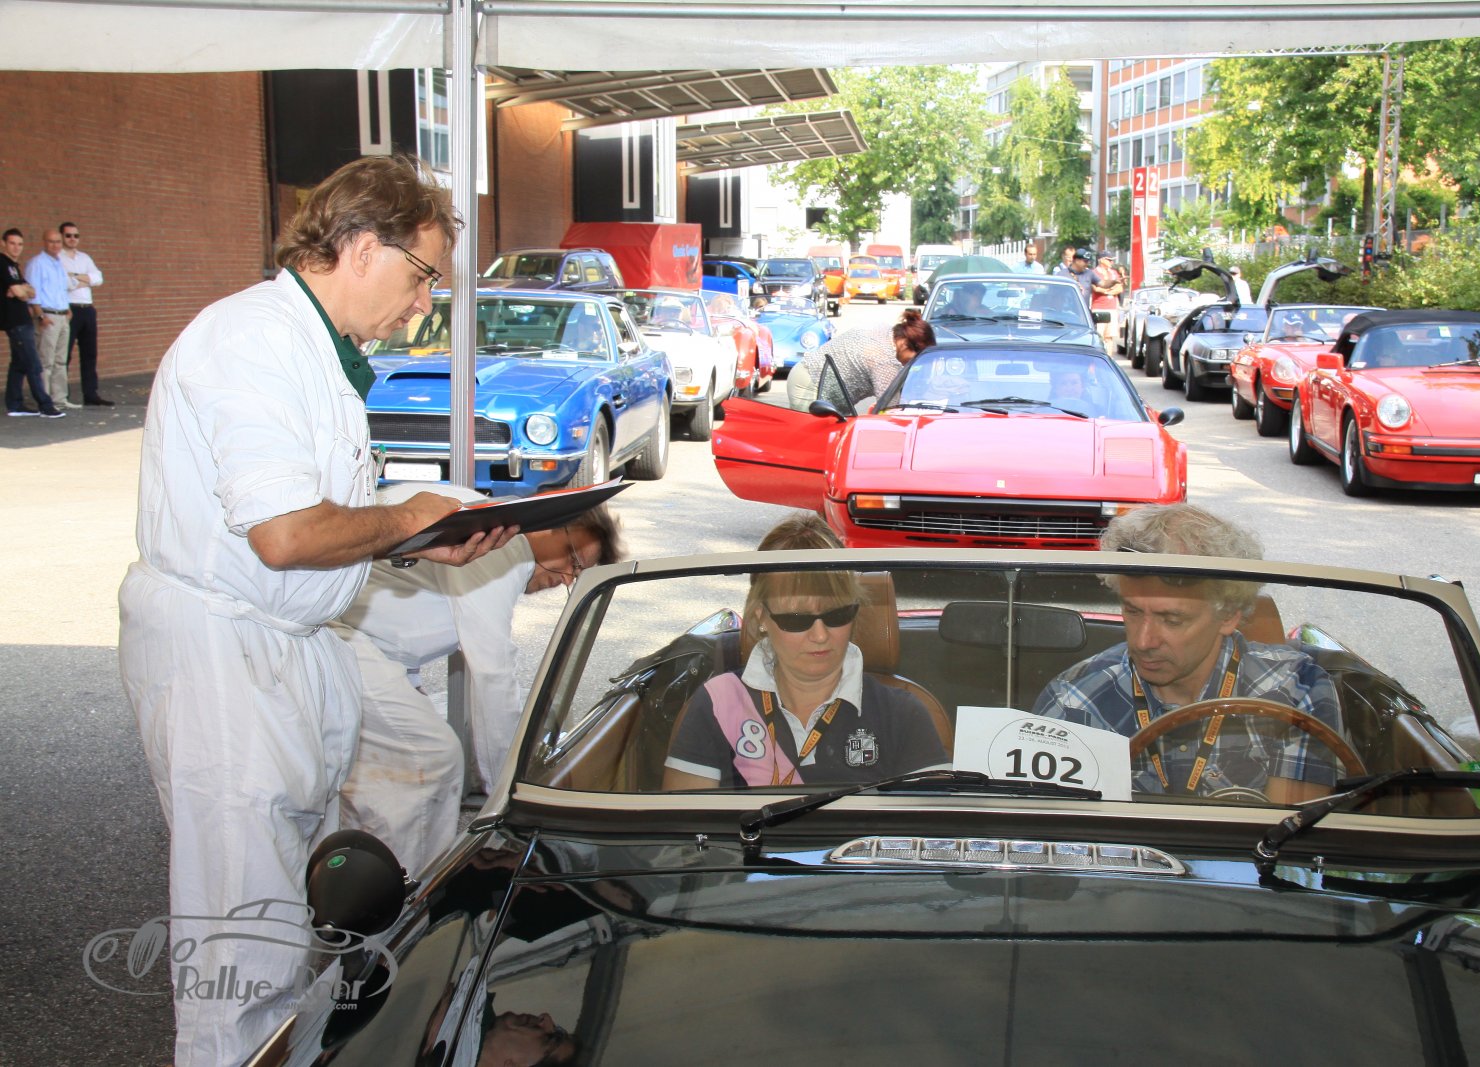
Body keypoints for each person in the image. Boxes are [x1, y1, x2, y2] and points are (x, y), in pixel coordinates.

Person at [118, 155, 520, 1067]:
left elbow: (322, 523)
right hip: (226, 655)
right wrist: (406, 519)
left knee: (280, 919)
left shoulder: (314, 351)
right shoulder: (251, 341)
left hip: (280, 647)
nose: (423, 304)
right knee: (241, 946)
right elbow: (287, 534)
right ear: (362, 247)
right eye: (422, 276)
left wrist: (415, 542)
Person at [334, 482, 622, 875]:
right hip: (344, 639)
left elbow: (398, 608)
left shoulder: (494, 527)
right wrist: (509, 800)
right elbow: (492, 676)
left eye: (580, 574)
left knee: (378, 783)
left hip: (364, 644)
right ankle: (409, 894)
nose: (567, 579)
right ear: (549, 520)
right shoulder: (501, 543)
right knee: (430, 759)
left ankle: (361, 880)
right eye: (573, 559)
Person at [1031, 504, 1344, 806]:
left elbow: (1293, 835)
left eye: (1172, 620)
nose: (1143, 641)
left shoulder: (1295, 691)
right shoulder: (1075, 701)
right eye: (1133, 611)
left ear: (1228, 615)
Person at [662, 513, 946, 789]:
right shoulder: (718, 703)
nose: (820, 635)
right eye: (796, 619)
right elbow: (685, 819)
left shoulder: (903, 715)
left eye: (837, 614)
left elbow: (933, 817)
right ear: (761, 617)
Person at [788, 307, 933, 411]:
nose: (912, 363)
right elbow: (890, 410)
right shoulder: (884, 360)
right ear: (904, 344)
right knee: (814, 436)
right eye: (916, 357)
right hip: (810, 383)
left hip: (808, 375)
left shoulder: (885, 330)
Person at [3, 228, 61, 417]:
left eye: (20, 244)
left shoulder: (14, 266)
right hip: (15, 321)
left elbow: (32, 291)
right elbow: (21, 293)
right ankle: (46, 406)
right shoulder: (3, 263)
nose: (16, 247)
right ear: (3, 243)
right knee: (33, 364)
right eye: (12, 243)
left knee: (19, 364)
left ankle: (14, 405)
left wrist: (22, 290)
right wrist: (21, 291)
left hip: (23, 319)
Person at [60, 221, 111, 404]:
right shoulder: (58, 258)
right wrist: (84, 280)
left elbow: (98, 278)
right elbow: (64, 282)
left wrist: (75, 276)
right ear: (62, 237)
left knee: (89, 353)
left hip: (87, 308)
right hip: (70, 308)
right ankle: (62, 394)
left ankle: (90, 394)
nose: (72, 239)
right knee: (64, 354)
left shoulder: (84, 258)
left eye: (76, 236)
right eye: (68, 235)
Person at [25, 228, 75, 408]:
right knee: (45, 361)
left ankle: (59, 399)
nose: (55, 245)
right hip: (47, 316)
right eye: (51, 241)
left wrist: (68, 309)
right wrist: (40, 316)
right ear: (44, 242)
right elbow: (33, 292)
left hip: (62, 316)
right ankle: (44, 399)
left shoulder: (58, 263)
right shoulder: (37, 263)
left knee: (60, 361)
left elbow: (61, 289)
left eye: (58, 242)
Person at [1091, 253, 1125, 349]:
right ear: (1101, 260)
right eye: (1109, 260)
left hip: (1112, 309)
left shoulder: (1114, 273)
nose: (1111, 262)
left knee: (1109, 338)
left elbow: (1119, 288)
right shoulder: (1094, 273)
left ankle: (1109, 357)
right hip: (1099, 308)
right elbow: (1095, 288)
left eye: (1112, 260)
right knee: (1098, 337)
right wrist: (1110, 290)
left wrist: (1106, 291)